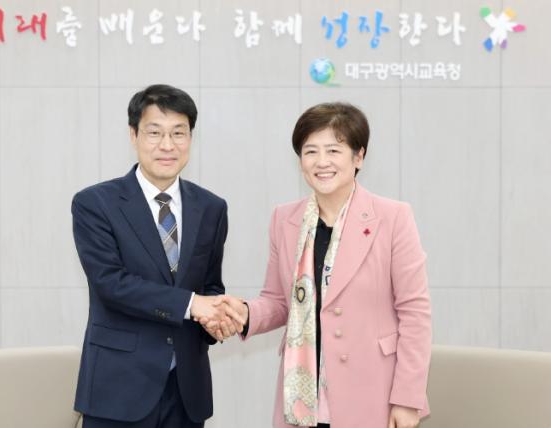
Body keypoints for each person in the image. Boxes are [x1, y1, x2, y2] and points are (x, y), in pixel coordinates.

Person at [203, 102, 432, 428]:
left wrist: (407, 398)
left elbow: (415, 313)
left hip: (373, 391)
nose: (321, 162)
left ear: (358, 157)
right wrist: (243, 314)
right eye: (311, 151)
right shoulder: (285, 219)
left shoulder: (393, 217)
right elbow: (278, 301)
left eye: (334, 150)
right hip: (302, 396)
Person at [71, 84, 243, 428]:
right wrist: (192, 305)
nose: (167, 145)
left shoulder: (211, 207)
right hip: (118, 388)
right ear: (133, 135)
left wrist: (216, 320)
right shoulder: (95, 203)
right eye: (155, 132)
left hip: (187, 391)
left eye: (179, 133)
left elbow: (209, 286)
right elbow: (111, 284)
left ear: (190, 137)